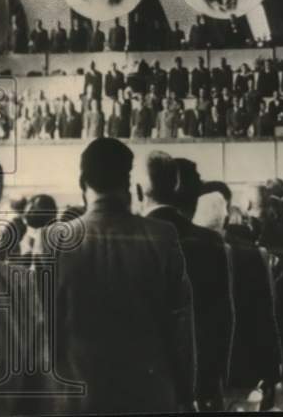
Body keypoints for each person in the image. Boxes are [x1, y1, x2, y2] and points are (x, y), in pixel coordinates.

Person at [50, 139, 195, 414]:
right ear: (128, 182)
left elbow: (45, 330)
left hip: (79, 397)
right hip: (149, 395)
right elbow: (181, 325)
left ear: (82, 182)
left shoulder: (55, 241)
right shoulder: (162, 236)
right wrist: (185, 393)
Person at [141, 154, 235, 412]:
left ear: (139, 190)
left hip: (144, 382)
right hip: (198, 378)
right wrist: (212, 385)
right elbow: (222, 320)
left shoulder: (131, 239)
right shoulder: (209, 242)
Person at [196, 182, 283, 410]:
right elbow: (266, 316)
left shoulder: (185, 256)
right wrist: (273, 371)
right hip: (245, 367)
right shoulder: (253, 256)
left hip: (203, 372)